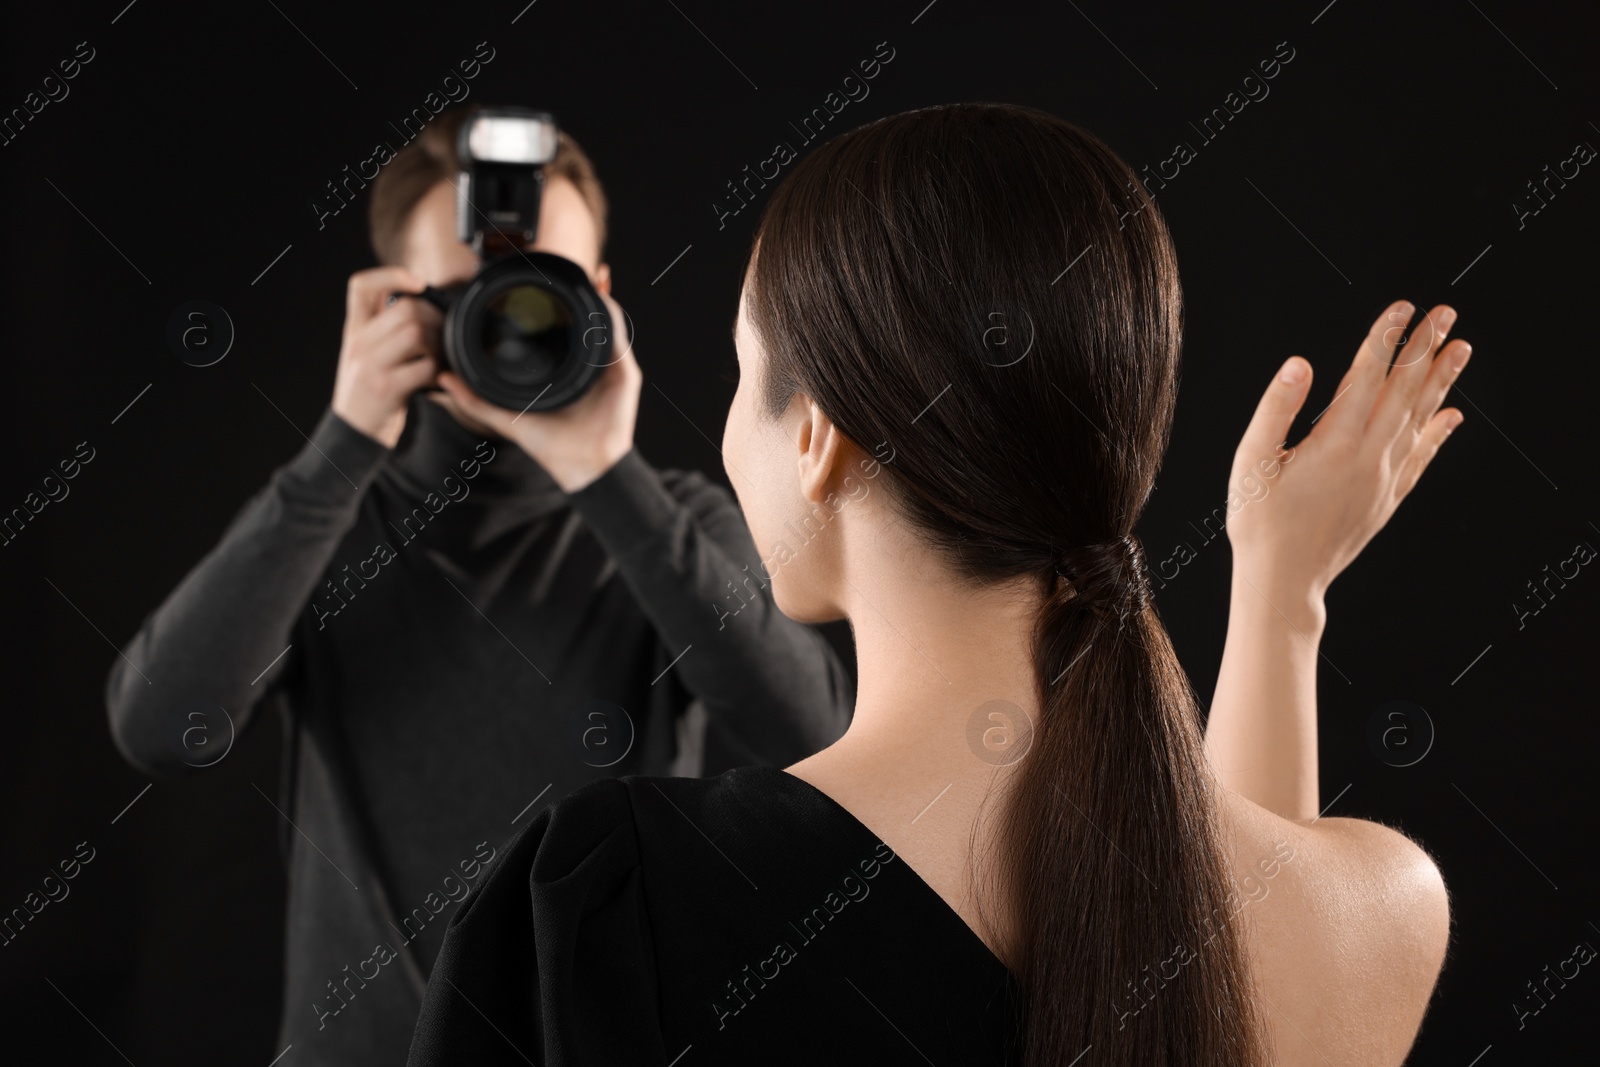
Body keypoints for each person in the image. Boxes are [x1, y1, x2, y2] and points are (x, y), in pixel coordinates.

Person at [405, 102, 1464, 1067]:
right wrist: (1281, 595)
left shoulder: (610, 898)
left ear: (817, 434)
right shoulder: (1384, 912)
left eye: (742, 371)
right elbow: (1235, 954)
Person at [103, 104, 852, 1066]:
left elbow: (814, 736)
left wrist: (604, 473)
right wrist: (343, 441)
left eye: (542, 288)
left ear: (603, 300)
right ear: (392, 306)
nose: (512, 321)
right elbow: (160, 726)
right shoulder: (326, 526)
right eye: (471, 292)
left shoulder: (670, 524)